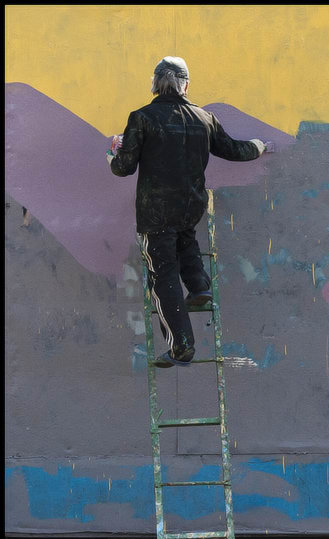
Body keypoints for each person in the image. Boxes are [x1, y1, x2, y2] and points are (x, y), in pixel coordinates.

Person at [109, 56, 271, 366]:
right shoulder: (204, 118)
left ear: (156, 83)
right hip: (190, 206)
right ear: (186, 84)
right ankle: (199, 288)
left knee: (163, 276)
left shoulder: (142, 118)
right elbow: (235, 150)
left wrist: (111, 154)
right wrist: (260, 145)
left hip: (156, 212)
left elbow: (123, 168)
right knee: (186, 241)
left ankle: (181, 345)